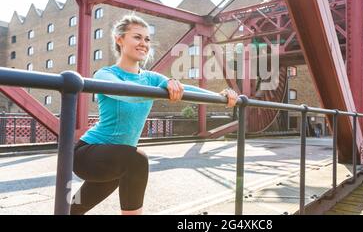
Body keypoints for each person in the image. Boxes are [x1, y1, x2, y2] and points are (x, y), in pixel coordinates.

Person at [70, 15, 238, 215]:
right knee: (137, 161)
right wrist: (161, 88)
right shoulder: (105, 75)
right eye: (137, 37)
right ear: (119, 39)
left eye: (147, 39)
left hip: (119, 159)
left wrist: (220, 96)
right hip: (88, 154)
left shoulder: (152, 78)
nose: (144, 43)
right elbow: (129, 94)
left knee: (74, 210)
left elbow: (186, 90)